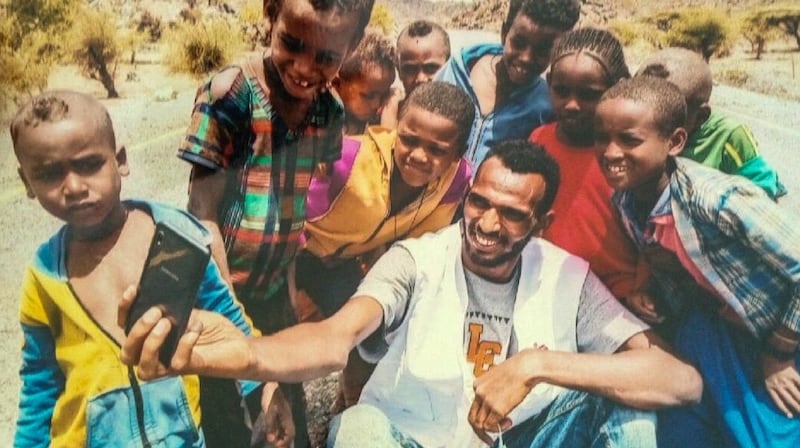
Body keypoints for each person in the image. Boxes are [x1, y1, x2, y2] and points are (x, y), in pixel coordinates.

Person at [122, 140, 702, 448]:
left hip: (524, 439)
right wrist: (251, 355)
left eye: (512, 214)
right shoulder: (417, 260)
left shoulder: (567, 275)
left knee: (630, 402)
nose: (487, 224)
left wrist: (537, 364)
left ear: (542, 223)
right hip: (413, 441)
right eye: (479, 202)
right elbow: (334, 337)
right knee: (359, 431)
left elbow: (681, 381)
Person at [10, 91, 290, 447]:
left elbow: (226, 316)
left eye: (89, 164)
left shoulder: (176, 236)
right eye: (49, 174)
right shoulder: (45, 276)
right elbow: (39, 385)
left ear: (120, 159)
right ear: (27, 184)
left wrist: (265, 387)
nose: (74, 187)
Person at [175, 0, 375, 444]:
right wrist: (231, 315)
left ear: (353, 44)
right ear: (270, 15)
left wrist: (289, 294)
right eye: (292, 43)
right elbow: (202, 211)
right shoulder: (230, 95)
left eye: (326, 57)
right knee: (231, 423)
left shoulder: (329, 112)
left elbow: (294, 201)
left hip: (275, 295)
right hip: (218, 298)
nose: (305, 67)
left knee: (286, 424)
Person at [594, 76, 800, 447]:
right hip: (709, 329)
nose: (610, 152)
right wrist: (653, 292)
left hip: (773, 333)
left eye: (629, 140)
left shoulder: (719, 199)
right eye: (602, 137)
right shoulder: (626, 204)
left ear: (674, 142)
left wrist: (779, 354)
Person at [296, 81, 474, 407]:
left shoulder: (456, 181)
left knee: (367, 340)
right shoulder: (347, 160)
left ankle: (350, 409)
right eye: (408, 139)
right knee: (285, 349)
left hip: (343, 265)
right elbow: (284, 222)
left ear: (458, 153)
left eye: (436, 150)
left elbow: (420, 248)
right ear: (397, 128)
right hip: (293, 259)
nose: (418, 156)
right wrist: (292, 288)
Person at [530, 27, 649, 310]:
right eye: (560, 91)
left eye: (588, 94)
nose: (571, 105)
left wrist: (642, 289)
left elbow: (653, 231)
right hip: (551, 286)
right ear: (549, 84)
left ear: (618, 86)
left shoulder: (629, 156)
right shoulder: (539, 139)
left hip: (616, 294)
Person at [436, 0, 580, 167]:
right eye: (518, 43)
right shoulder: (457, 71)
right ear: (505, 33)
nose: (526, 57)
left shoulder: (545, 106)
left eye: (542, 50)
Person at [636, 47, 787, 200]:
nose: (649, 121)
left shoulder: (729, 136)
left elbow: (762, 189)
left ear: (701, 116)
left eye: (666, 117)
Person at [380, 20, 451, 128]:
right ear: (399, 70)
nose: (421, 78)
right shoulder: (377, 112)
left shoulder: (462, 121)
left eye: (431, 68)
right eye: (410, 69)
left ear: (449, 66)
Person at [334, 31, 396, 136]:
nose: (377, 104)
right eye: (369, 96)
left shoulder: (374, 120)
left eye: (384, 94)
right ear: (336, 84)